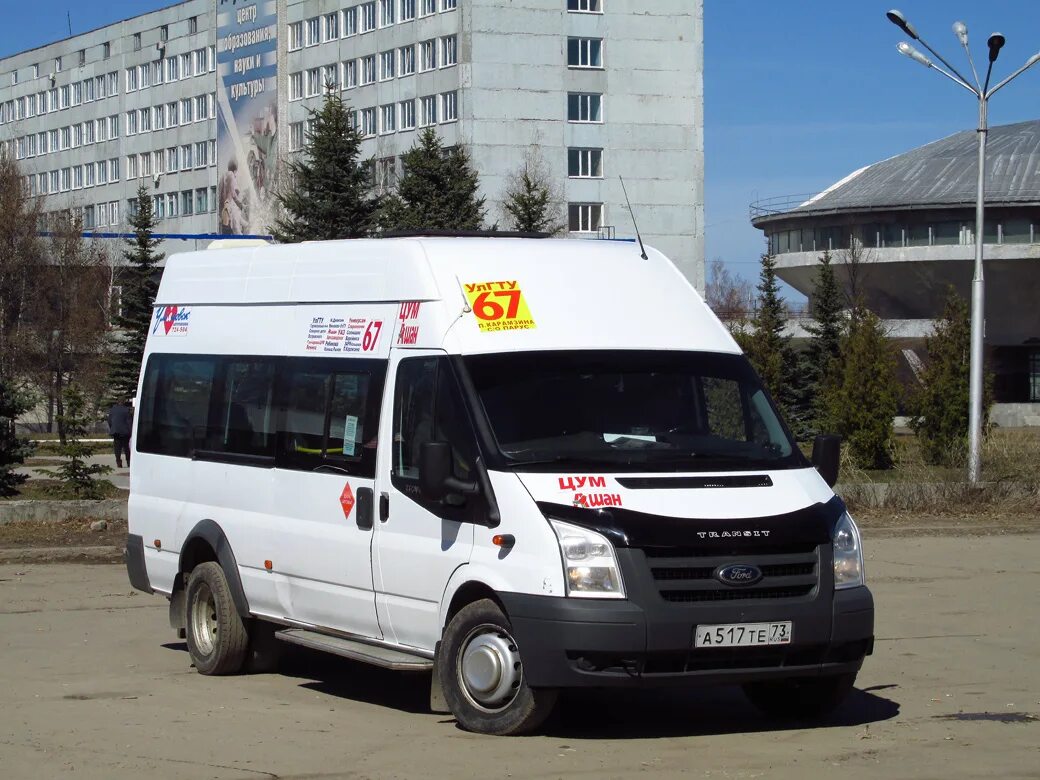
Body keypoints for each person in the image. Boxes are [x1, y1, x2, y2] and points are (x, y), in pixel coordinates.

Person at [108, 398, 133, 468]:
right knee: (126, 448)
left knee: (117, 448)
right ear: (123, 402)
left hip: (116, 432)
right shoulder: (126, 410)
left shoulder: (112, 410)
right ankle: (128, 462)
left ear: (117, 403)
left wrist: (112, 428)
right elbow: (129, 422)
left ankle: (118, 461)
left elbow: (109, 421)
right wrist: (131, 432)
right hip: (125, 432)